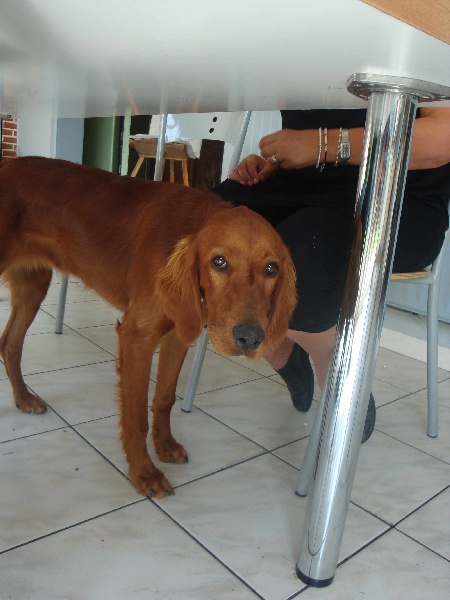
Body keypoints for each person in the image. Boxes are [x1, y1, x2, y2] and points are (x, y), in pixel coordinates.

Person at [212, 107, 450, 442]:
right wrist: (280, 159)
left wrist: (322, 144)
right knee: (194, 231)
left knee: (298, 263)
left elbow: (444, 137)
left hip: (395, 197)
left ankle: (333, 364)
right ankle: (281, 349)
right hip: (300, 189)